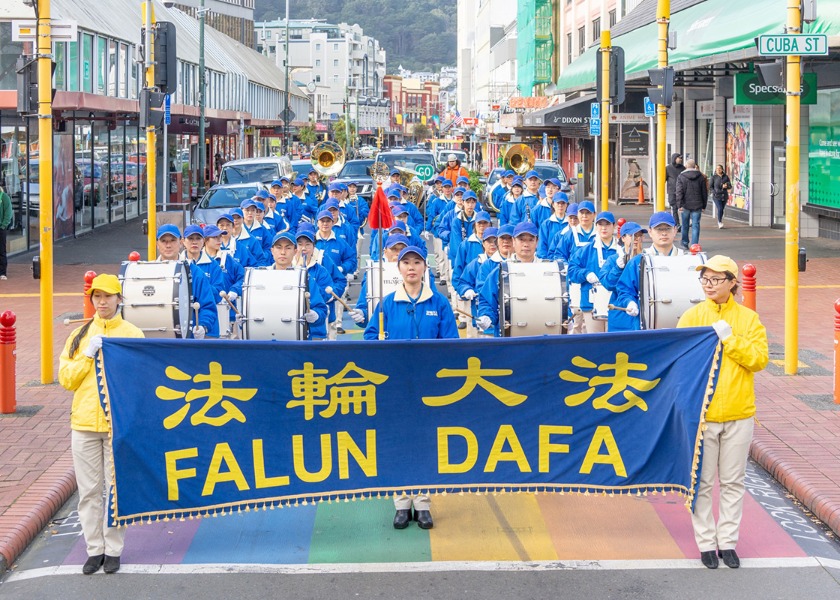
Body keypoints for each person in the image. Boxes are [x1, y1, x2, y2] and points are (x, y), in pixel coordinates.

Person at [677, 255, 769, 569]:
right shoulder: (691, 317)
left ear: (732, 282)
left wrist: (730, 339)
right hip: (702, 416)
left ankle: (727, 542)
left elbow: (759, 359)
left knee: (732, 482)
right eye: (705, 279)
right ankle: (705, 542)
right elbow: (681, 363)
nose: (709, 285)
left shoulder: (748, 319)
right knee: (701, 483)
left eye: (717, 279)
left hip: (740, 413)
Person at [364, 245, 458, 530]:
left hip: (429, 385)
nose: (412, 267)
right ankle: (402, 504)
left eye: (417, 262)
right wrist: (378, 344)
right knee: (398, 442)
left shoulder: (439, 303)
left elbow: (451, 343)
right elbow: (369, 339)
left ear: (425, 269)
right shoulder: (387, 305)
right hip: (396, 385)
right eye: (406, 263)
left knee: (426, 442)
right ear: (399, 269)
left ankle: (423, 503)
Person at [59, 274, 144, 575]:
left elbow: (139, 382)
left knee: (115, 491)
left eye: (108, 296)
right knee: (89, 491)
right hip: (83, 423)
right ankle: (94, 549)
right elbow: (66, 379)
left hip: (116, 426)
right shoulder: (80, 335)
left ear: (119, 299)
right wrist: (87, 354)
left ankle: (114, 550)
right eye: (97, 297)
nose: (103, 302)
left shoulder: (132, 334)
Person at [156, 224, 218, 338]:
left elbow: (208, 306)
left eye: (173, 240)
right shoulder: (150, 272)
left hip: (187, 339)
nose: (168, 245)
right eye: (164, 241)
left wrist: (203, 326)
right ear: (157, 244)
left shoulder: (194, 272)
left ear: (180, 243)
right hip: (156, 338)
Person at [268, 231, 327, 339]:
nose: (283, 252)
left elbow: (322, 310)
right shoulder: (262, 276)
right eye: (279, 247)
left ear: (295, 251)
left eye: (288, 248)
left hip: (298, 341)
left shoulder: (304, 278)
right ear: (272, 251)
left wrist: (316, 315)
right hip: (267, 339)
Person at [567, 211, 618, 334]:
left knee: (615, 342)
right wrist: (585, 274)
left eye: (607, 224)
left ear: (614, 226)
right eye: (600, 224)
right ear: (596, 226)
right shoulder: (586, 250)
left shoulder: (620, 250)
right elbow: (572, 269)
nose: (604, 228)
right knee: (595, 341)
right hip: (591, 304)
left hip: (615, 304)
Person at [676, 159, 709, 249]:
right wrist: (704, 205)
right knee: (696, 225)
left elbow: (679, 191)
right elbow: (704, 192)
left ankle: (684, 242)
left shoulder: (681, 176)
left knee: (685, 224)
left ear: (686, 166)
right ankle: (694, 245)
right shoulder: (701, 177)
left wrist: (679, 204)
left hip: (685, 205)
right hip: (698, 204)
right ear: (695, 166)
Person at [666, 153, 686, 228]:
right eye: (679, 158)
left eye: (681, 158)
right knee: (674, 208)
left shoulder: (683, 168)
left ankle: (684, 223)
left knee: (683, 208)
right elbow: (664, 179)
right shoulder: (668, 168)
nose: (680, 159)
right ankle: (677, 224)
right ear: (674, 158)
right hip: (672, 191)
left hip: (681, 191)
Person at [710, 164, 732, 229]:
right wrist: (715, 192)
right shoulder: (713, 177)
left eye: (719, 168)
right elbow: (710, 187)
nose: (718, 169)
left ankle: (720, 220)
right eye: (717, 168)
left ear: (722, 169)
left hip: (724, 195)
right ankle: (719, 222)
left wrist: (726, 186)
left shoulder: (726, 177)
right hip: (716, 196)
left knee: (722, 209)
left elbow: (730, 185)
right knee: (720, 208)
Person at [0, 180, 11, 280]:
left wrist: (3, 225)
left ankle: (2, 273)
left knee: (2, 250)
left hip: (1, 229)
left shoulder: (4, 197)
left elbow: (8, 212)